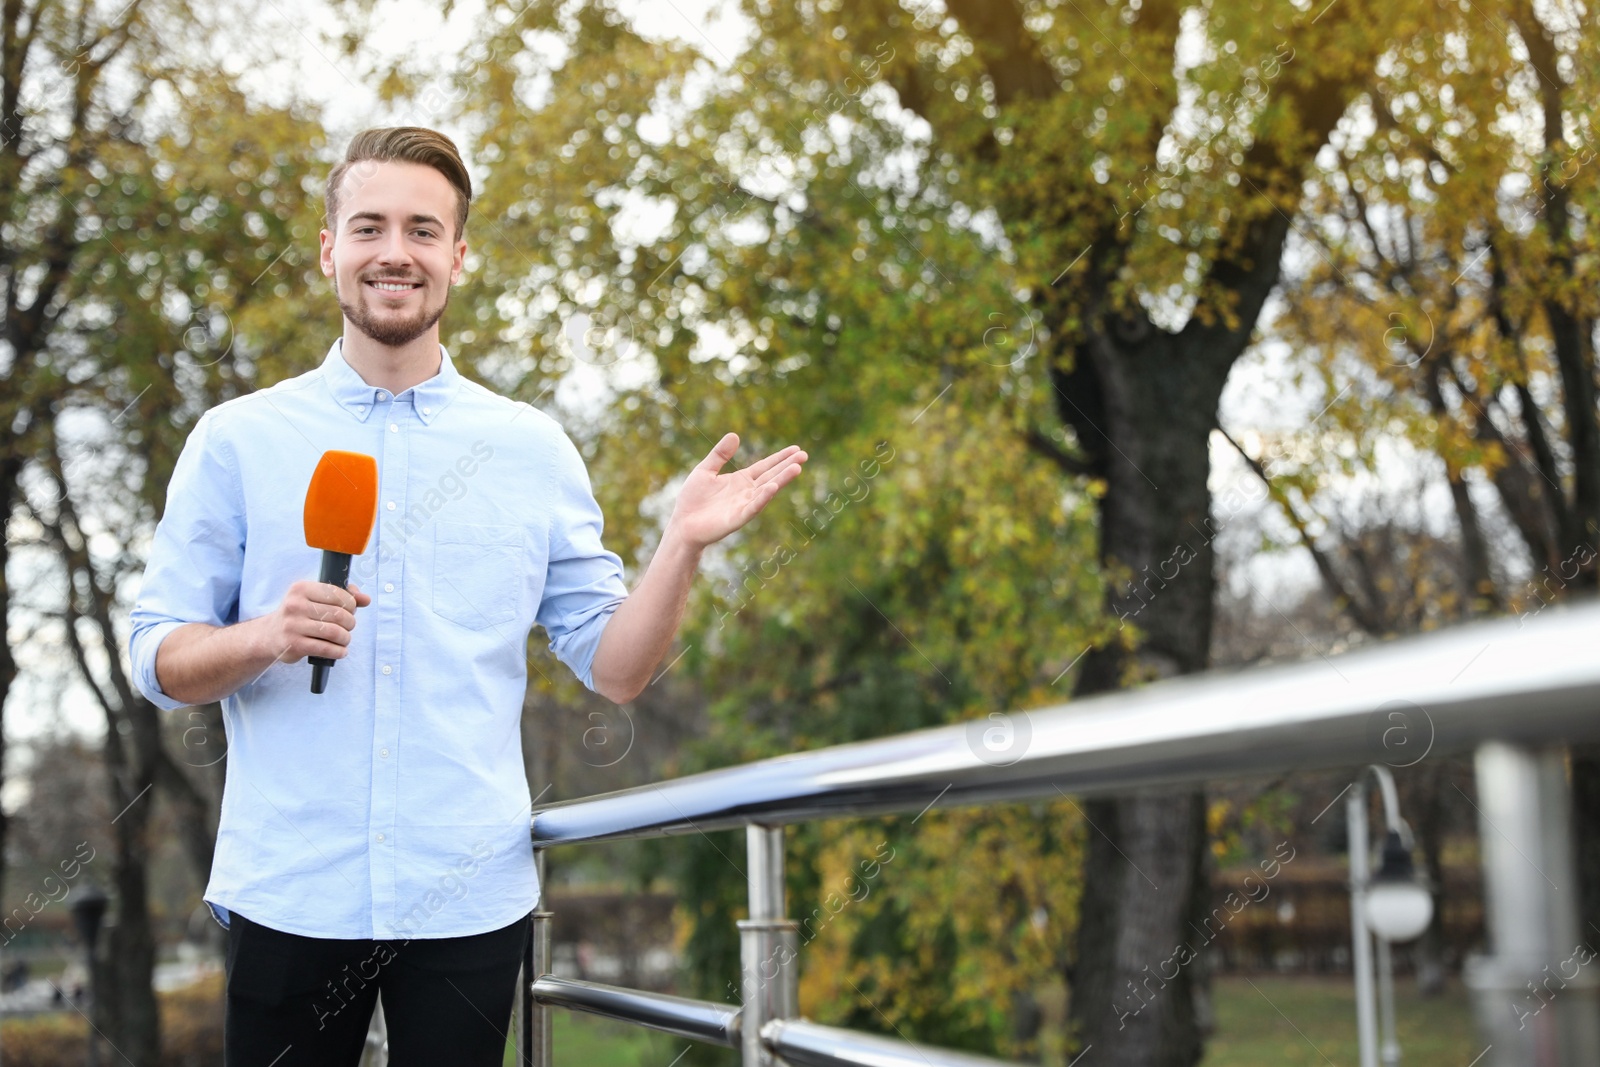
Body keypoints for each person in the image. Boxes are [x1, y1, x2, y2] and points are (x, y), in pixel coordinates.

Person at [128, 126, 807, 1067]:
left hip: (467, 895)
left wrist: (680, 546)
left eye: (422, 229)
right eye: (368, 228)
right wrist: (264, 636)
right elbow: (157, 657)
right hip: (289, 889)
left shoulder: (530, 448)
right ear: (330, 249)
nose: (394, 252)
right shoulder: (239, 439)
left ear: (458, 254)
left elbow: (616, 668)